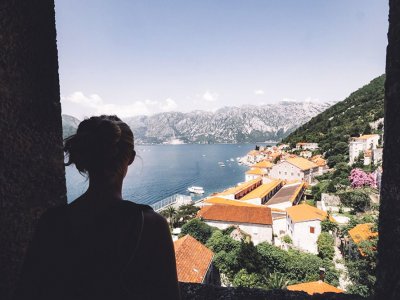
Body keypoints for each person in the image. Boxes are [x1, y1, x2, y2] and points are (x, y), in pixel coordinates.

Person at [14, 115, 181, 300]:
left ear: (84, 156)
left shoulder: (52, 221)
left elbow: (27, 290)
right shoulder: (151, 225)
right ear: (131, 158)